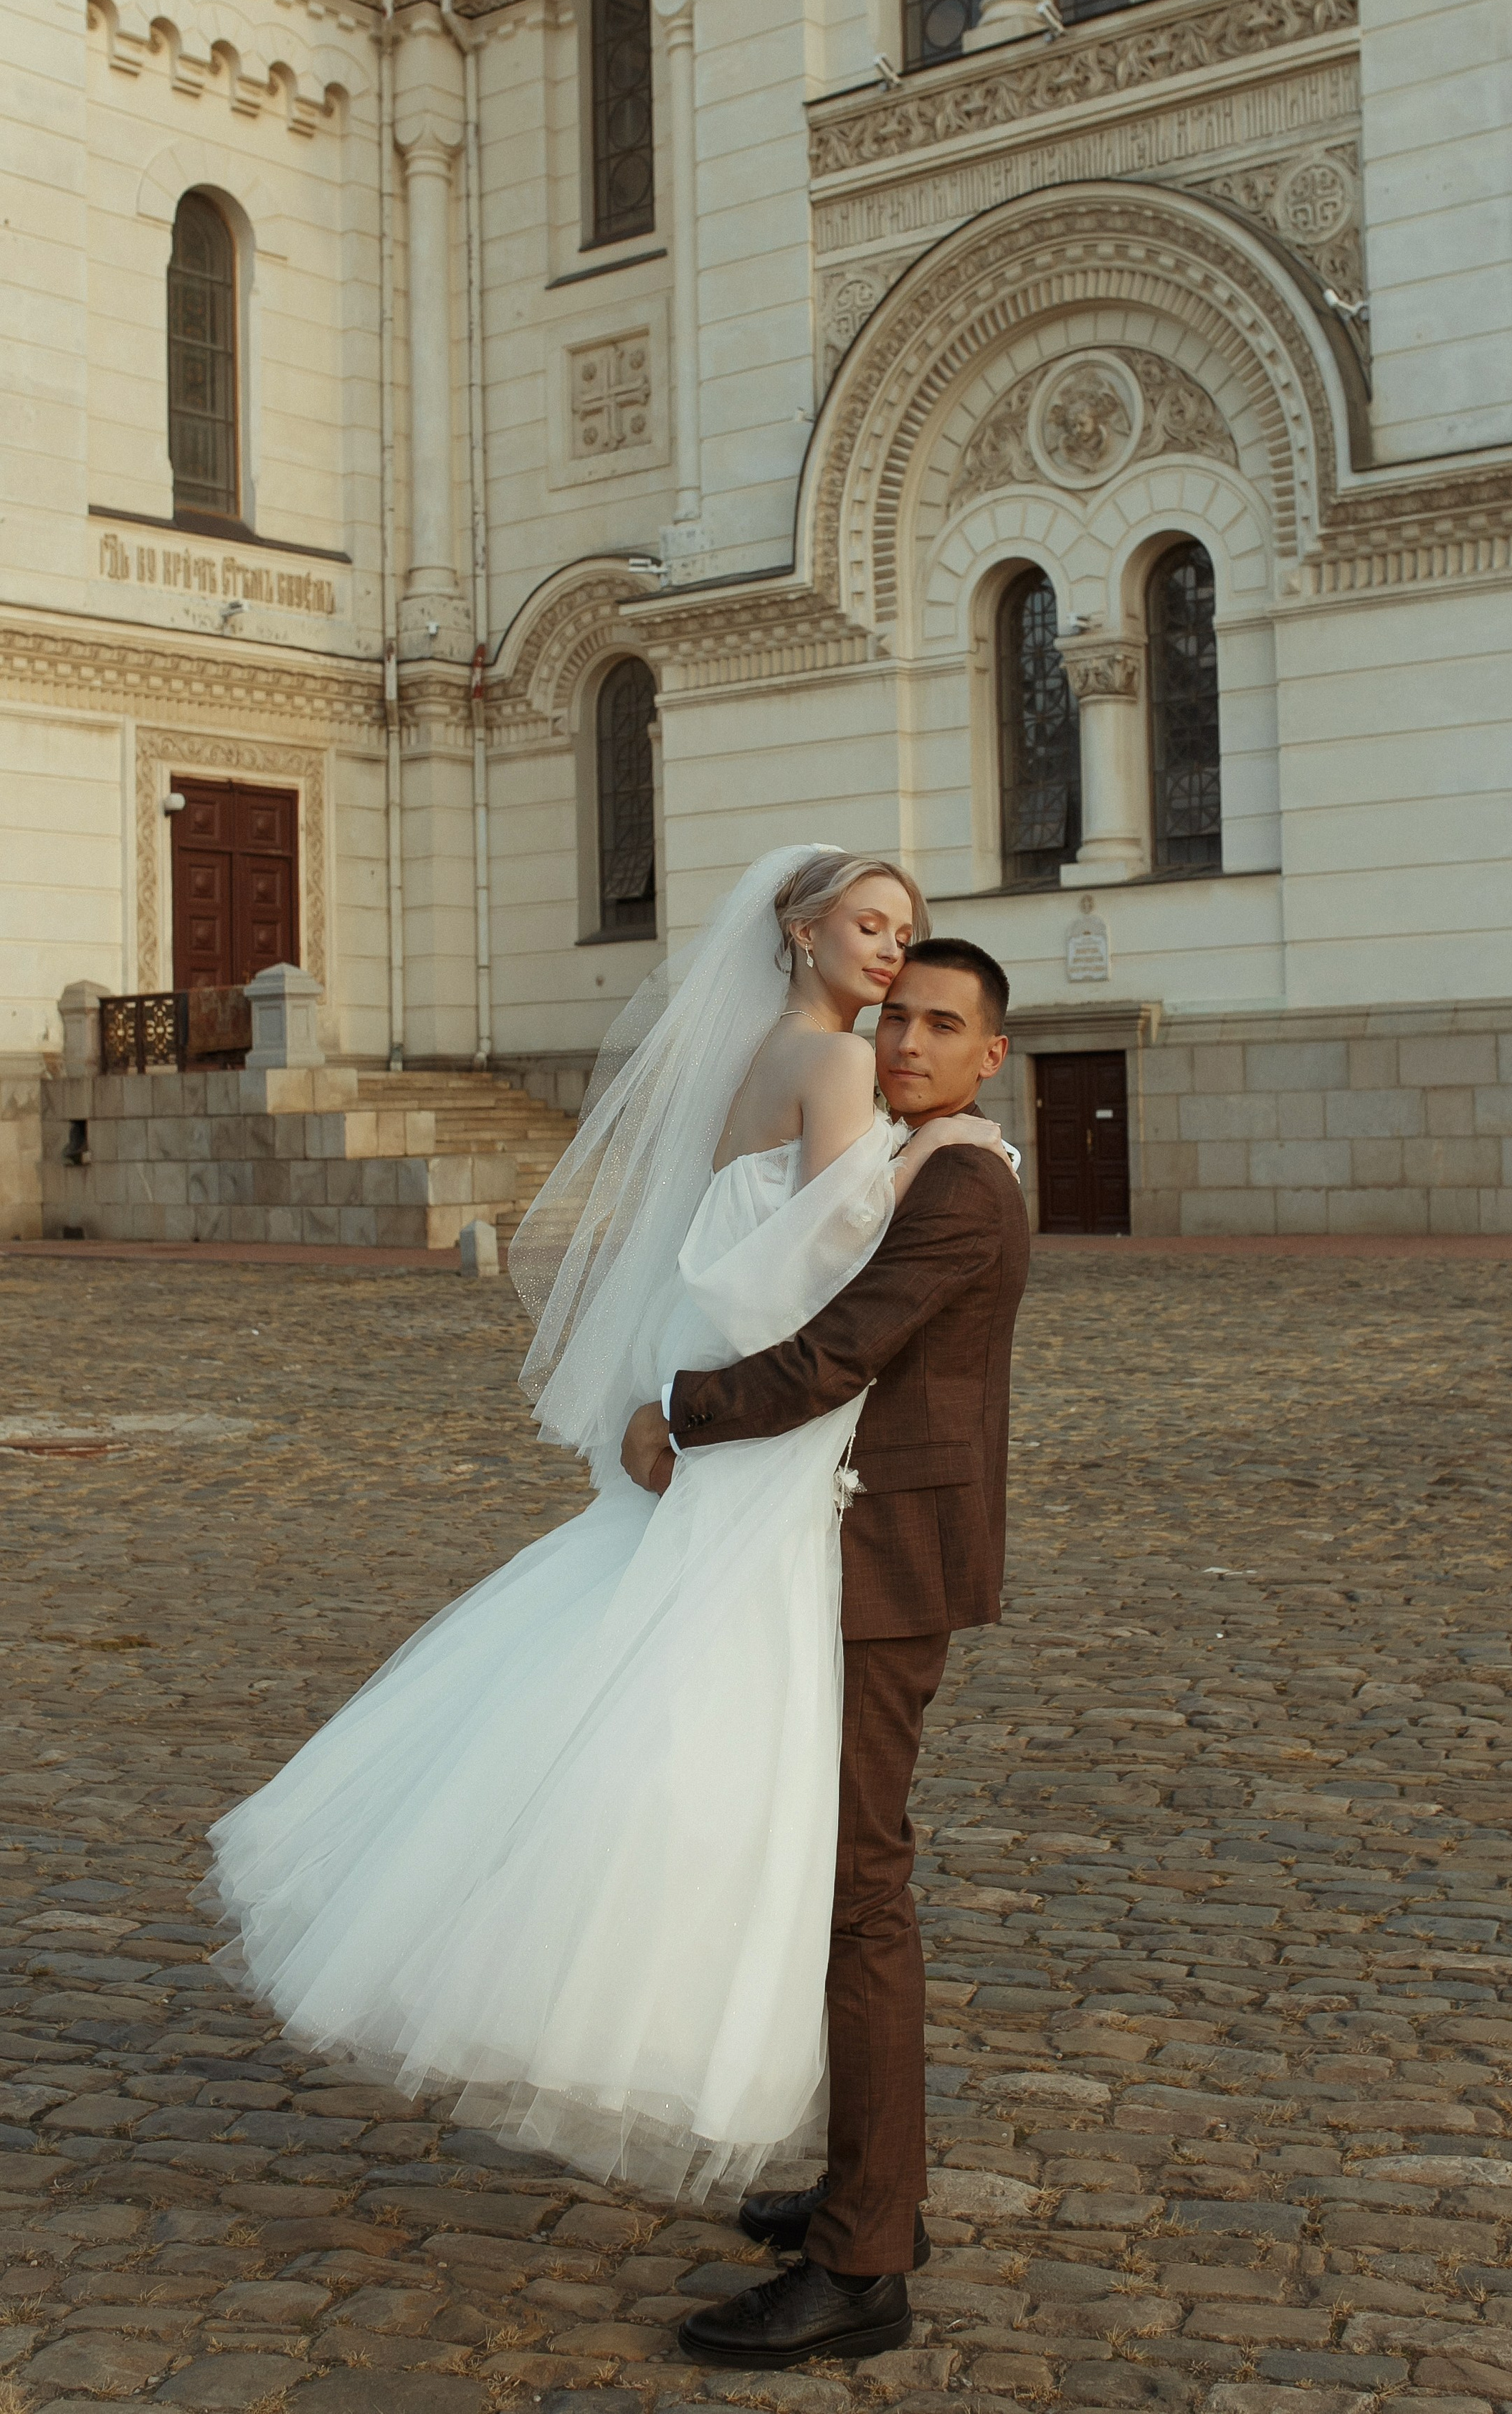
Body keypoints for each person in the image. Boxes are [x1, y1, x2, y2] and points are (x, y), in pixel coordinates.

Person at [201, 846, 1002, 2215]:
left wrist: (667, 1401)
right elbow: (827, 1276)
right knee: (779, 1825)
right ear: (800, 929)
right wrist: (937, 1146)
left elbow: (759, 1261)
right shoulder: (841, 1078)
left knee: (677, 1747)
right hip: (778, 1458)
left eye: (908, 941)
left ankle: (833, 2176)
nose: (890, 963)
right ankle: (827, 2179)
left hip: (769, 1453)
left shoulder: (764, 1063)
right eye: (872, 931)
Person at [620, 936, 1029, 2373]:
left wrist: (672, 1399)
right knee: (832, 1882)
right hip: (840, 1552)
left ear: (992, 1053)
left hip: (884, 1571)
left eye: (941, 1026)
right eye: (894, 1016)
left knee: (859, 1894)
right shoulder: (907, 1163)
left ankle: (863, 2270)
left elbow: (834, 1355)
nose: (903, 1041)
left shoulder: (964, 1188)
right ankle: (872, 2197)